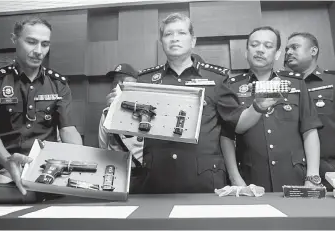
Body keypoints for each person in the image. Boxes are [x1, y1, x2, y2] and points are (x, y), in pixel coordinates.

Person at [106, 13, 280, 194]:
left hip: (205, 180)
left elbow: (238, 124)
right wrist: (118, 111)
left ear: (193, 41)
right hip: (156, 181)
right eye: (168, 34)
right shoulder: (145, 79)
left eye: (181, 33)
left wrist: (258, 106)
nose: (174, 38)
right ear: (162, 42)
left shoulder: (216, 78)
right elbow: (131, 129)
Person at [0, 17, 82, 195]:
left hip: (45, 171)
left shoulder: (59, 84)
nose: (39, 51)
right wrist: (8, 161)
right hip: (3, 169)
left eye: (45, 44)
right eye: (31, 42)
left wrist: (77, 160)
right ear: (14, 39)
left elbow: (68, 129)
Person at [221, 26, 323, 192]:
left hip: (294, 176)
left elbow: (309, 130)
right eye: (254, 45)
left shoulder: (295, 84)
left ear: (277, 54)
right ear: (246, 52)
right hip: (250, 179)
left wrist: (312, 177)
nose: (260, 50)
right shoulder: (232, 86)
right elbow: (226, 136)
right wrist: (236, 179)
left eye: (268, 46)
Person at [285, 32, 335, 189]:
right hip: (289, 171)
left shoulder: (331, 82)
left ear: (313, 51)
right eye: (286, 49)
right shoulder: (282, 85)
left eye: (294, 47)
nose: (288, 53)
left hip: (328, 170)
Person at [98, 63, 144, 193]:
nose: (118, 87)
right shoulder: (106, 113)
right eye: (115, 83)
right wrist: (113, 111)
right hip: (117, 176)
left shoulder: (146, 115)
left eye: (125, 82)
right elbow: (103, 147)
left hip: (142, 177)